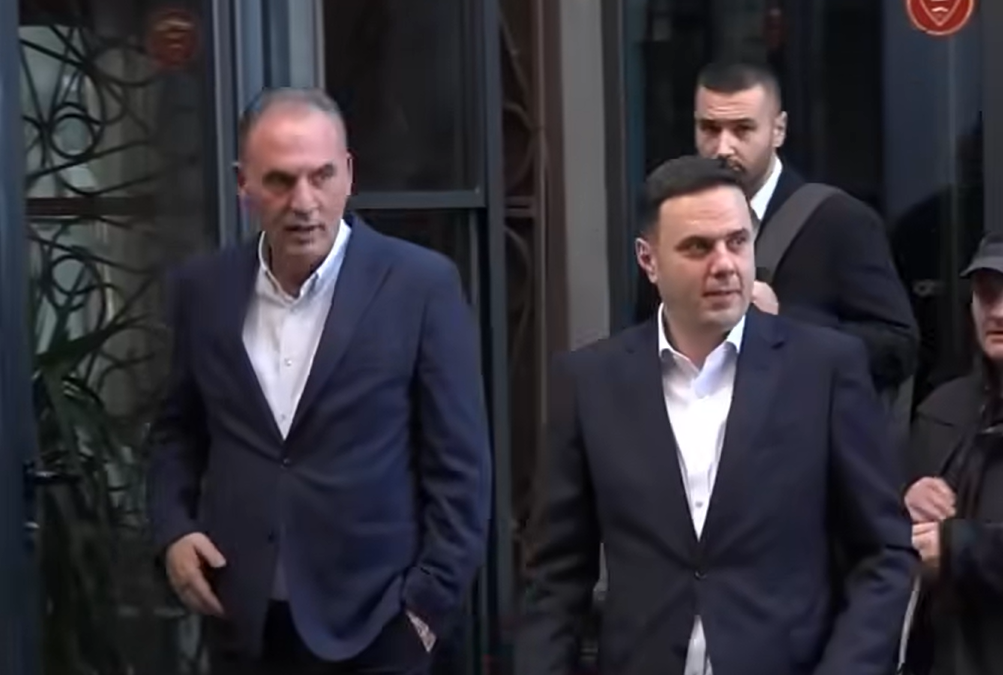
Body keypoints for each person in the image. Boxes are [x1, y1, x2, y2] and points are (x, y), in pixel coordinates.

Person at [517, 155, 916, 675]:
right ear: (649, 260)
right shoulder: (590, 383)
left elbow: (884, 554)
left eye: (737, 241)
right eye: (698, 247)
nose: (725, 264)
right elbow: (554, 579)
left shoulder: (824, 369)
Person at [145, 87, 492, 675]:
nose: (304, 202)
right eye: (280, 181)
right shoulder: (204, 289)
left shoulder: (420, 285)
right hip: (245, 625)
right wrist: (173, 531)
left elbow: (462, 467)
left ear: (348, 174)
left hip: (380, 627)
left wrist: (427, 607)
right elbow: (176, 432)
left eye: (321, 176)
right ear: (244, 184)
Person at [633, 61, 918, 397]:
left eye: (742, 130)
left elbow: (899, 347)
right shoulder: (673, 220)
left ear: (778, 130)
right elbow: (647, 334)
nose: (723, 148)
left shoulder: (839, 220)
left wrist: (786, 324)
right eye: (709, 129)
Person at [902, 233, 1003, 675]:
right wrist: (904, 502)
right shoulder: (942, 409)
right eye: (987, 294)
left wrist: (956, 547)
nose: (998, 312)